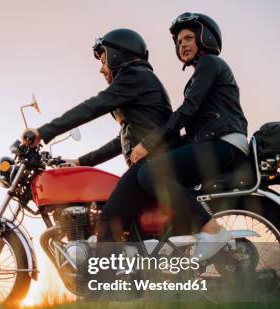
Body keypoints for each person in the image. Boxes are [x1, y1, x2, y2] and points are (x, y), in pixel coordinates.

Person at [21, 29, 177, 242]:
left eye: (104, 60)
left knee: (108, 222)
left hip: (152, 165)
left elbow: (92, 107)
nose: (102, 70)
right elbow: (121, 140)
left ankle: (101, 272)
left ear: (117, 55)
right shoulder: (136, 83)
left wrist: (43, 132)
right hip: (150, 163)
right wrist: (80, 162)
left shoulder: (135, 76)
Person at [132, 12, 249, 259]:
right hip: (217, 142)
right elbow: (192, 124)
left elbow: (188, 109)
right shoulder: (203, 71)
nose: (182, 44)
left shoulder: (210, 64)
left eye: (188, 38)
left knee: (149, 173)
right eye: (178, 42)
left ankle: (212, 231)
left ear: (205, 38)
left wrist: (149, 143)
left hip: (224, 142)